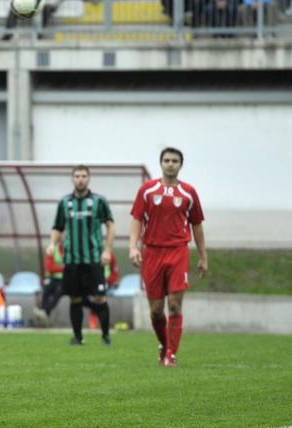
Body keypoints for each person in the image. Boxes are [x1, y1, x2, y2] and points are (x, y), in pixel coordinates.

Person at [129, 147, 207, 368]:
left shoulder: (189, 193)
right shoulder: (147, 190)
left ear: (181, 165)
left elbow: (197, 225)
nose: (170, 164)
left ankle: (171, 354)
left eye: (174, 161)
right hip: (152, 252)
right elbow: (136, 219)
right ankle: (164, 345)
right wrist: (133, 247)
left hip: (177, 252)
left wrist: (203, 256)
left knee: (174, 305)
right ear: (160, 163)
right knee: (155, 310)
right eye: (166, 160)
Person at [48, 165, 115, 346]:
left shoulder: (99, 201)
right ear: (72, 179)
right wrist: (52, 244)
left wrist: (107, 250)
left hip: (93, 258)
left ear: (88, 178)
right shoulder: (64, 202)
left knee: (100, 297)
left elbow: (110, 225)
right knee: (75, 298)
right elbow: (58, 227)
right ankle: (77, 337)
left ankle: (106, 336)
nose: (80, 179)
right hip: (72, 260)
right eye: (77, 176)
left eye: (83, 176)